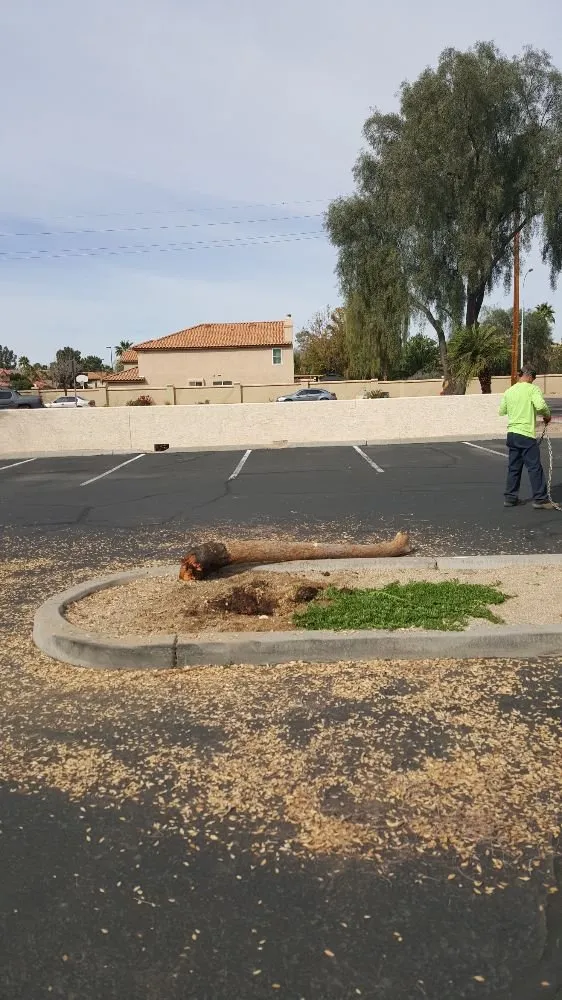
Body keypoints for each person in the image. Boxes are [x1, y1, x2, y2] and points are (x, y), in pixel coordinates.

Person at [498, 366, 554, 509]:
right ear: (529, 377)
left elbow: (502, 410)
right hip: (525, 434)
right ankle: (540, 499)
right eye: (533, 379)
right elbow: (540, 405)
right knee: (534, 467)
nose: (533, 382)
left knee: (514, 467)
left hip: (512, 434)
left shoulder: (509, 391)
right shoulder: (532, 389)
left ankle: (510, 498)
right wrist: (547, 415)